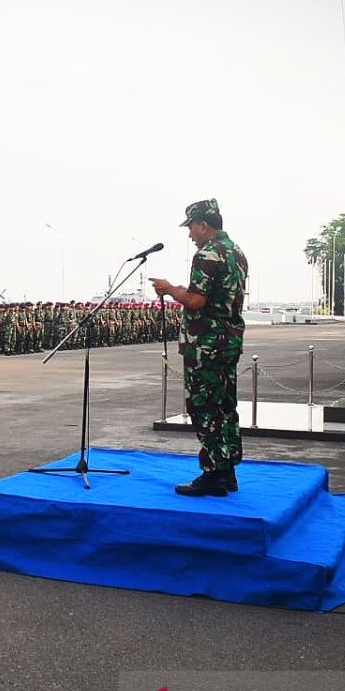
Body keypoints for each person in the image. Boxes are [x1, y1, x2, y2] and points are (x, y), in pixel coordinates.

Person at [151, 198, 248, 497]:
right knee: (225, 405)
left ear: (203, 225)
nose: (190, 234)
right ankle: (228, 469)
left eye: (191, 227)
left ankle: (213, 475)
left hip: (207, 343)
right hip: (228, 340)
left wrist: (169, 289)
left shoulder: (207, 254)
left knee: (205, 407)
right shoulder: (236, 252)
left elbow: (196, 300)